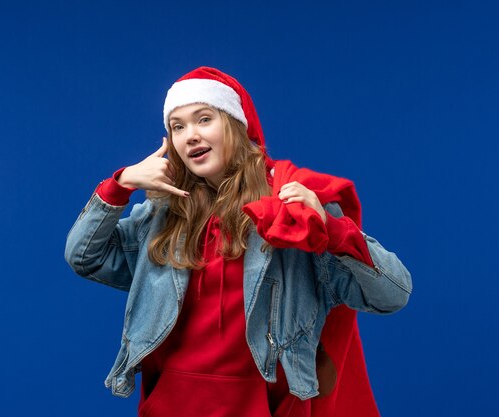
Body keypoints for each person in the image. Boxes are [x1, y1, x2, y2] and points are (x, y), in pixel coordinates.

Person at [64, 67, 412, 417]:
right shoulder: (161, 214)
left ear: (235, 124)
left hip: (261, 406)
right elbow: (85, 257)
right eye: (178, 126)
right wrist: (118, 186)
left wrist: (331, 229)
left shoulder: (293, 210)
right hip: (171, 404)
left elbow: (392, 295)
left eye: (204, 119)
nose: (191, 136)